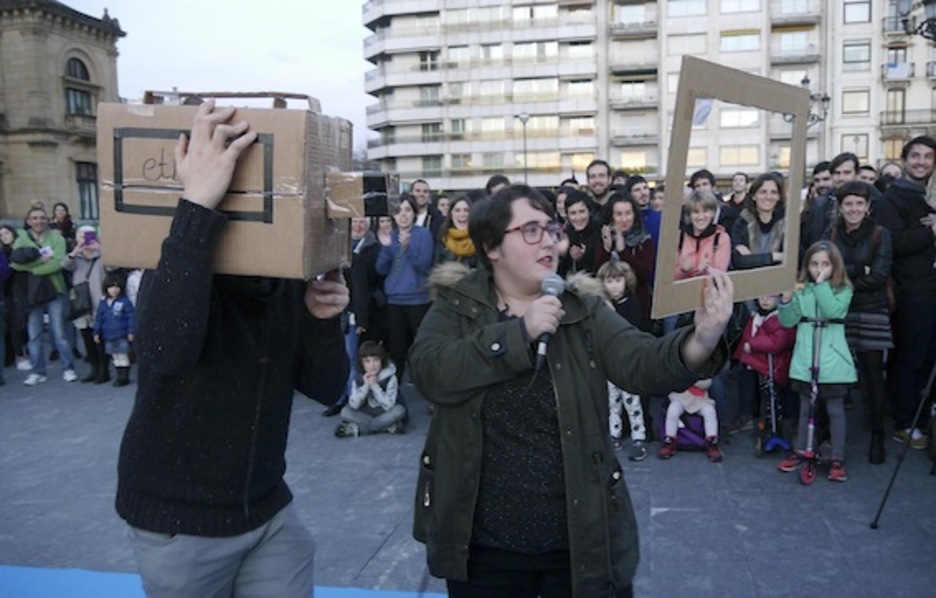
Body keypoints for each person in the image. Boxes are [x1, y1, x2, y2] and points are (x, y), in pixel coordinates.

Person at [409, 183, 733, 596]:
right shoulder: (458, 305)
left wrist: (702, 338)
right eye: (530, 230)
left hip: (579, 539)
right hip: (485, 547)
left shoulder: (583, 308)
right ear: (491, 247)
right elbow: (429, 372)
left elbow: (640, 362)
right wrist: (517, 335)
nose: (547, 240)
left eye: (550, 228)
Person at [115, 100, 349, 597]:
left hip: (266, 508)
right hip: (182, 519)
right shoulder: (181, 261)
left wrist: (323, 321)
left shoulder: (286, 274)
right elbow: (165, 351)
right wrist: (196, 204)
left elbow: (328, 388)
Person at [873, 135, 936, 450]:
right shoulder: (891, 199)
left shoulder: (932, 196)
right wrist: (929, 232)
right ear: (905, 159)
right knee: (911, 357)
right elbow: (891, 243)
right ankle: (905, 421)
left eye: (928, 156)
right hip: (912, 291)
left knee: (931, 358)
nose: (921, 161)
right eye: (916, 155)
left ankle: (926, 418)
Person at [777, 241, 856, 483]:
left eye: (824, 264)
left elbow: (833, 311)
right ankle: (801, 448)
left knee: (834, 409)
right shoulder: (804, 290)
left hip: (832, 359)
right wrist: (787, 301)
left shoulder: (843, 289)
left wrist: (821, 285)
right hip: (806, 357)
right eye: (814, 264)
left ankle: (837, 457)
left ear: (834, 266)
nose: (818, 269)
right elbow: (788, 321)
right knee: (804, 407)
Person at [830, 181, 893, 464]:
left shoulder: (881, 234)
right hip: (837, 309)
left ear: (867, 207)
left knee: (872, 374)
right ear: (840, 207)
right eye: (848, 204)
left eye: (859, 203)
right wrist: (857, 269)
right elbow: (824, 267)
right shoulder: (830, 233)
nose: (854, 209)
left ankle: (877, 434)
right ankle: (825, 433)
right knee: (833, 371)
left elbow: (879, 275)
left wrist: (844, 278)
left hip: (871, 309)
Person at [10, 206, 77, 385]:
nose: (39, 221)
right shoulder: (22, 239)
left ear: (47, 220)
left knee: (60, 333)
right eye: (34, 218)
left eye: (42, 217)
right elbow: (15, 265)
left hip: (55, 290)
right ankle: (38, 371)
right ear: (29, 221)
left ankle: (68, 368)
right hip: (31, 294)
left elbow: (58, 263)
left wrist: (32, 269)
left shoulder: (57, 238)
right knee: (34, 334)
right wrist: (40, 262)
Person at [597, 259, 650, 462]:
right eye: (609, 281)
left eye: (618, 280)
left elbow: (630, 329)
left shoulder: (632, 303)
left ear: (625, 281)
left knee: (632, 401)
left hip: (627, 362)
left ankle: (639, 437)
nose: (614, 285)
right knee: (612, 403)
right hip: (608, 362)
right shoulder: (601, 305)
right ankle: (614, 434)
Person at [376, 195, 434, 376]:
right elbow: (381, 269)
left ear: (414, 213)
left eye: (408, 210)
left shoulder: (423, 234)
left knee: (421, 347)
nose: (403, 215)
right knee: (396, 349)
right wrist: (387, 247)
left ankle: (425, 385)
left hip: (418, 300)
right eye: (399, 211)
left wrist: (407, 248)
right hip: (395, 300)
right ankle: (396, 391)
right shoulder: (390, 236)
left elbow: (425, 266)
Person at [731, 294, 796, 440]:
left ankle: (774, 422)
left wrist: (752, 345)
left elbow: (779, 341)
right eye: (761, 297)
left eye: (770, 297)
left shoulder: (780, 317)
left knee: (771, 395)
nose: (765, 301)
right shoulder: (756, 317)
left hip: (772, 364)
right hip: (754, 361)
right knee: (746, 381)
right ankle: (747, 414)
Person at [595, 193, 656, 320]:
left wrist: (623, 251)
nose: (624, 219)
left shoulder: (644, 240)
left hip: (638, 306)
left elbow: (644, 274)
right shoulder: (604, 236)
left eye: (628, 213)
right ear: (611, 216)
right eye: (619, 214)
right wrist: (606, 249)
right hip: (609, 308)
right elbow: (597, 274)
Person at [62, 225, 107, 383]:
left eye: (87, 235)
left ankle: (104, 370)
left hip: (98, 301)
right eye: (81, 236)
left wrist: (99, 248)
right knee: (86, 337)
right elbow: (65, 265)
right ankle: (94, 368)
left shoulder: (102, 255)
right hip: (81, 303)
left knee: (99, 337)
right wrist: (76, 250)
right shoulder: (76, 258)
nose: (85, 239)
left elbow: (113, 265)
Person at [334, 340, 406, 437]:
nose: (372, 365)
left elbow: (389, 405)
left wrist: (375, 386)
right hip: (365, 412)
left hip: (385, 412)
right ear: (362, 364)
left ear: (382, 360)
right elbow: (354, 405)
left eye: (376, 360)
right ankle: (386, 427)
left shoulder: (390, 376)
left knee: (400, 410)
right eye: (367, 361)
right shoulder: (358, 377)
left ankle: (359, 429)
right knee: (345, 412)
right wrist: (366, 386)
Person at [658, 378, 722, 462]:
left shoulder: (704, 368)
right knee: (672, 410)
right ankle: (669, 440)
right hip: (680, 397)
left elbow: (706, 383)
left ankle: (712, 441)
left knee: (710, 411)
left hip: (700, 400)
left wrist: (688, 380)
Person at [731, 173, 785, 271]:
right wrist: (774, 256)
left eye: (773, 192)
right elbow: (739, 261)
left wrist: (753, 259)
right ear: (753, 196)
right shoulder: (741, 223)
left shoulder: (787, 224)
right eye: (763, 192)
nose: (768, 197)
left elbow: (792, 258)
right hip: (749, 282)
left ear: (779, 197)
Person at [675, 189, 730, 281]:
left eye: (705, 211)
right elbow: (668, 278)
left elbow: (720, 275)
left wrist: (704, 270)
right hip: (681, 294)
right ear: (689, 214)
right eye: (696, 212)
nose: (701, 217)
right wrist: (683, 270)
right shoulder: (678, 237)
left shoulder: (721, 238)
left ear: (712, 213)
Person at [93, 273, 135, 387]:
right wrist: (96, 332)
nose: (114, 290)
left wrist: (131, 331)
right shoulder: (103, 303)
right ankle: (119, 374)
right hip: (108, 334)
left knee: (123, 354)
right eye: (111, 287)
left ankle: (124, 376)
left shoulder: (125, 302)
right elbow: (99, 318)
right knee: (115, 355)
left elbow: (130, 317)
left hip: (121, 333)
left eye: (117, 287)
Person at [0, 224, 26, 370]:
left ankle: (20, 355)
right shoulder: (2, 252)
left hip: (21, 291)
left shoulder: (20, 248)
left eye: (6, 233)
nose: (4, 237)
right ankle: (10, 356)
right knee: (9, 325)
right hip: (7, 292)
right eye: (1, 235)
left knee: (19, 325)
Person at [557, 189, 600, 277]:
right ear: (567, 215)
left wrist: (584, 258)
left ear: (589, 212)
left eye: (582, 212)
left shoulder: (600, 232)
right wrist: (563, 254)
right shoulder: (564, 234)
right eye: (573, 213)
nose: (578, 217)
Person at [436, 196, 476, 266]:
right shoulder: (442, 239)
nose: (462, 214)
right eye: (457, 210)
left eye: (466, 210)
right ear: (451, 215)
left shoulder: (480, 240)